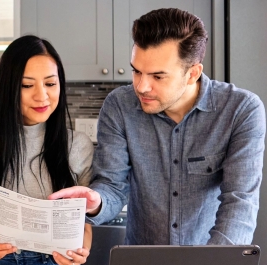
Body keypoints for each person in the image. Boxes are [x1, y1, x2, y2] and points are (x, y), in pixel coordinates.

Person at [49, 8, 266, 246]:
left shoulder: (240, 110)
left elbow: (239, 200)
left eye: (158, 76)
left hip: (212, 261)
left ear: (192, 73)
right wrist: (97, 201)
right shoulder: (119, 106)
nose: (141, 86)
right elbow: (112, 185)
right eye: (136, 71)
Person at [0, 35, 93, 265]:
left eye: (50, 84)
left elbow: (83, 225)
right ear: (8, 88)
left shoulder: (78, 145)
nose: (41, 95)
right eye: (26, 85)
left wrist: (80, 251)